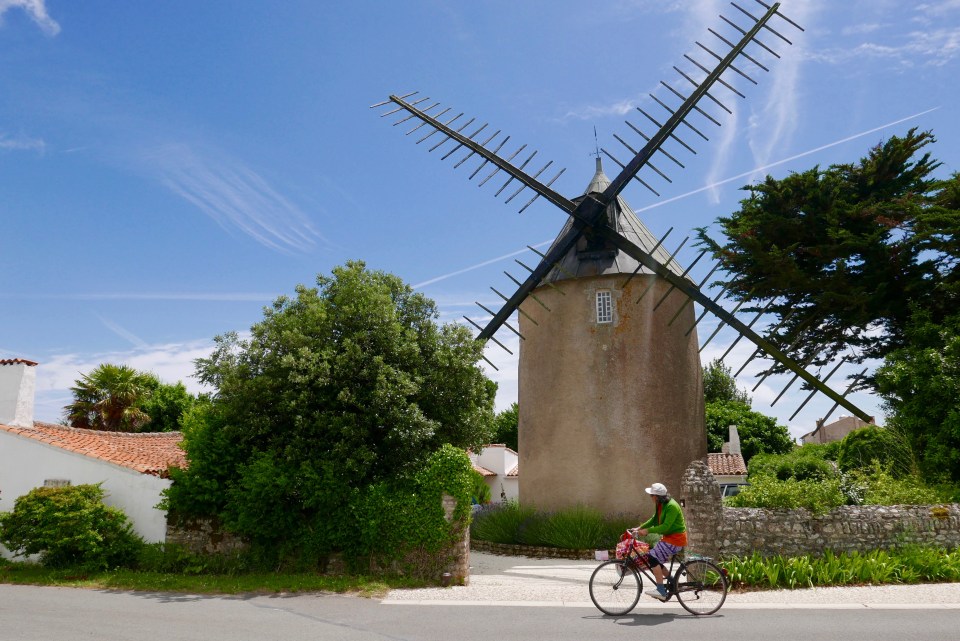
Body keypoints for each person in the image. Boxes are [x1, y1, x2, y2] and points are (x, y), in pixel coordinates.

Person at [631, 482, 687, 601]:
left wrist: (648, 531)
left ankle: (661, 590)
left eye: (651, 495)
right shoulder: (660, 504)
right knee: (655, 559)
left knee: (652, 557)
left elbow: (666, 527)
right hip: (669, 538)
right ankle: (672, 582)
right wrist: (640, 528)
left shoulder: (672, 506)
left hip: (676, 539)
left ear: (656, 496)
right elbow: (654, 519)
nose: (650, 497)